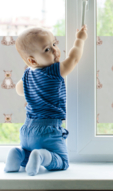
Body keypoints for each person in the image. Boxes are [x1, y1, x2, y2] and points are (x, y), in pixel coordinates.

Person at [4, 24, 88, 176]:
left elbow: (18, 90)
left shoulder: (28, 75)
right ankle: (41, 156)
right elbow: (74, 58)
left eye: (54, 44)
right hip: (48, 130)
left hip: (27, 130)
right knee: (62, 162)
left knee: (28, 154)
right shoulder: (54, 72)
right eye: (47, 49)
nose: (55, 50)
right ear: (33, 61)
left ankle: (17, 154)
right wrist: (79, 40)